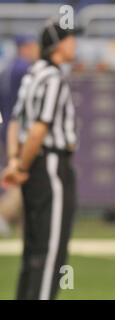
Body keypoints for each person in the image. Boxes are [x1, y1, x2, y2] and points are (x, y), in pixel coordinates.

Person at [1, 21, 80, 300]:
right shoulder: (52, 78)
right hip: (50, 165)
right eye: (70, 39)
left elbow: (14, 123)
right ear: (59, 45)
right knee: (51, 251)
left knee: (33, 249)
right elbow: (38, 128)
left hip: (33, 166)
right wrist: (20, 165)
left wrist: (14, 161)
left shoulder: (33, 73)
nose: (75, 44)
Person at [0, 35, 39, 236]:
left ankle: (27, 227)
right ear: (25, 47)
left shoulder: (6, 69)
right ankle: (3, 215)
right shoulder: (24, 69)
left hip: (7, 130)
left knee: (18, 174)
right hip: (20, 132)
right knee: (24, 176)